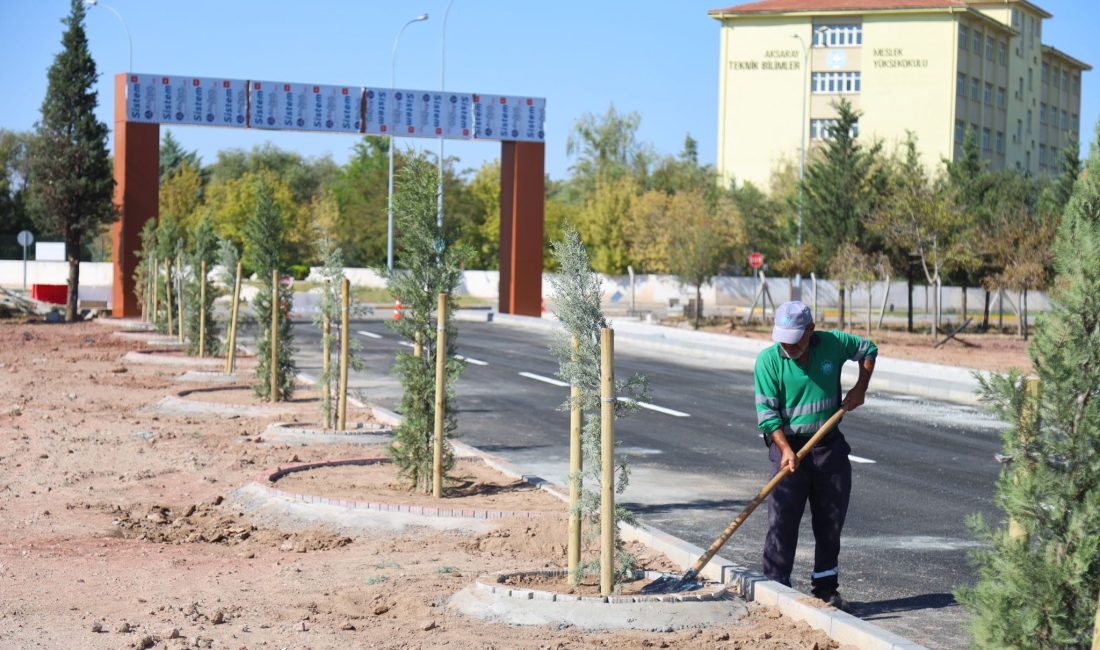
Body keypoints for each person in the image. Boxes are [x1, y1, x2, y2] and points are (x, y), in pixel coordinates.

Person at [752, 300, 876, 611]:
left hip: (828, 447)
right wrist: (785, 449)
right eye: (782, 338)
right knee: (781, 521)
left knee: (830, 521)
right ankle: (775, 587)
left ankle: (825, 587)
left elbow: (868, 349)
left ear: (811, 330)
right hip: (787, 447)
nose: (787, 346)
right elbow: (767, 415)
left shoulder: (833, 344)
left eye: (794, 339)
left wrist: (861, 387)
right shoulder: (768, 361)